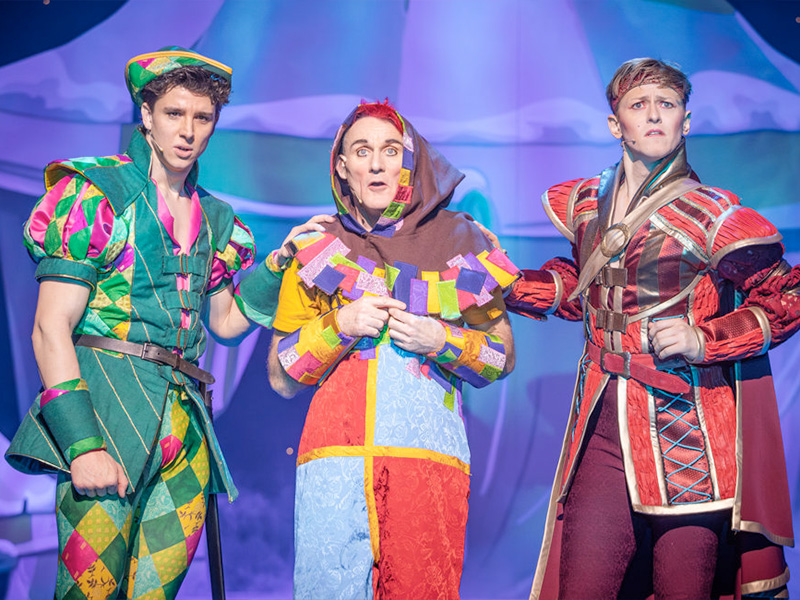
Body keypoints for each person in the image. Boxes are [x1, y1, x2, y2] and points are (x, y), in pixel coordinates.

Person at [4, 46, 329, 600]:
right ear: (146, 114)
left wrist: (280, 265)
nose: (188, 131)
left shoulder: (217, 218)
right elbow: (49, 328)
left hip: (185, 426)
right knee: (90, 592)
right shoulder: (96, 194)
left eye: (203, 117)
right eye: (174, 113)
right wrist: (82, 446)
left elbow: (226, 323)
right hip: (107, 410)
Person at [500, 58, 795, 599]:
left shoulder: (713, 214)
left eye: (667, 104)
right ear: (617, 124)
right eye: (639, 105)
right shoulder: (586, 205)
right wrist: (503, 284)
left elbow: (787, 295)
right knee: (582, 588)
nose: (654, 115)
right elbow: (580, 291)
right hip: (601, 424)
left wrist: (705, 339)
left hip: (689, 431)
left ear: (686, 120)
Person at [250, 101, 517, 599]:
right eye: (362, 151)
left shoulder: (461, 240)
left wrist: (442, 340)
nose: (376, 164)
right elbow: (280, 378)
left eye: (390, 151)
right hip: (333, 462)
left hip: (427, 464)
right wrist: (339, 326)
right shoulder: (318, 247)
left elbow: (501, 358)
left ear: (410, 162)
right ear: (342, 167)